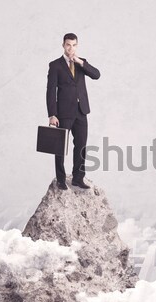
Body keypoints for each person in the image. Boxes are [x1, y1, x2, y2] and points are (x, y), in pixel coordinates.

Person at [46, 33, 101, 190]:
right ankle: (61, 180)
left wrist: (80, 62)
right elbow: (50, 91)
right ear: (63, 45)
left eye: (74, 45)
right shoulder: (55, 65)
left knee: (81, 146)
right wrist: (52, 114)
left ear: (77, 46)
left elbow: (97, 75)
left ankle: (78, 178)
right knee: (60, 147)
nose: (71, 48)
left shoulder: (81, 63)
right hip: (63, 112)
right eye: (68, 45)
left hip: (81, 111)